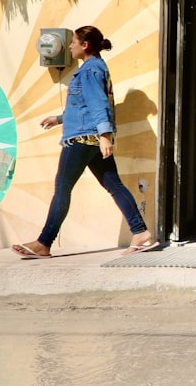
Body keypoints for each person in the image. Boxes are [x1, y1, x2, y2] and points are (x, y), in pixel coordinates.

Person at [11, 26, 157, 258]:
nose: (69, 46)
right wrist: (59, 119)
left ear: (85, 45)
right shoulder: (95, 68)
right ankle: (141, 233)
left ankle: (44, 242)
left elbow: (98, 104)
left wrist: (105, 136)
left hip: (82, 140)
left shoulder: (90, 70)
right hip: (91, 138)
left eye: (74, 42)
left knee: (62, 188)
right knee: (114, 186)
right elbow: (85, 107)